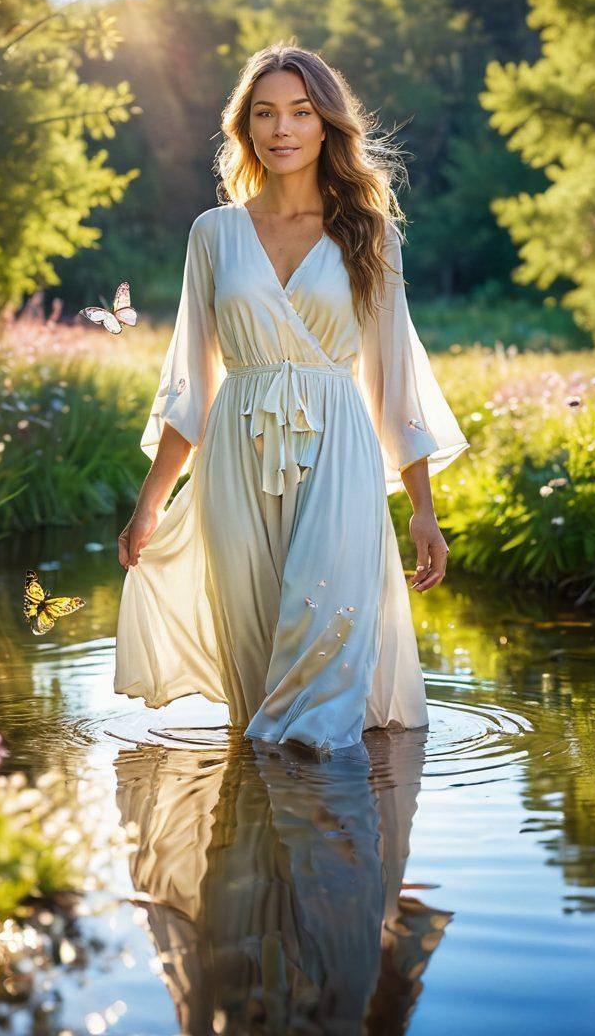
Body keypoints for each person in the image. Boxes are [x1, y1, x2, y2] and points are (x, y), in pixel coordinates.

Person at [115, 43, 469, 756]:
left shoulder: (369, 234)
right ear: (245, 127)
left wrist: (423, 509)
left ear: (326, 124)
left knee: (323, 645)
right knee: (255, 667)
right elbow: (191, 380)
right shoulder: (213, 234)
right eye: (265, 113)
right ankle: (262, 820)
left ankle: (324, 808)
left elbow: (393, 378)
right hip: (235, 461)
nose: (282, 129)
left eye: (301, 112)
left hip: (340, 453)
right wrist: (152, 501)